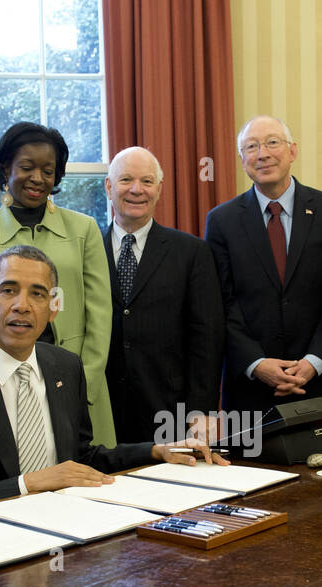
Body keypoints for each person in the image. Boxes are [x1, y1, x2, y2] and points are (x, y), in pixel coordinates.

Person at [0, 246, 223, 518]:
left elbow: (80, 460)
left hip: (72, 526)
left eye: (38, 294)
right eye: (8, 290)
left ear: (53, 307)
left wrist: (156, 451)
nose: (22, 305)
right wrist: (28, 483)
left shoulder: (65, 367)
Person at [0, 123, 116, 447]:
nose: (38, 179)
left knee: (91, 479)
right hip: (6, 388)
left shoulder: (84, 229)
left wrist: (84, 386)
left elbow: (100, 317)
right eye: (27, 167)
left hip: (81, 387)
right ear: (5, 169)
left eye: (48, 170)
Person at [204, 116, 322, 415]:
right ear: (242, 159)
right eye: (251, 146)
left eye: (273, 142)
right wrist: (256, 363)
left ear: (292, 151)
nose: (262, 154)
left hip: (316, 385)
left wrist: (314, 362)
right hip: (249, 390)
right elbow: (220, 303)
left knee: (317, 463)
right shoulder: (222, 221)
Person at [102, 147, 225, 444]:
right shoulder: (86, 249)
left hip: (170, 410)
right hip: (102, 410)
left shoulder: (191, 252)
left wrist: (203, 410)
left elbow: (207, 336)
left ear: (159, 189)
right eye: (126, 180)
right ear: (108, 187)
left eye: (146, 181)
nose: (136, 190)